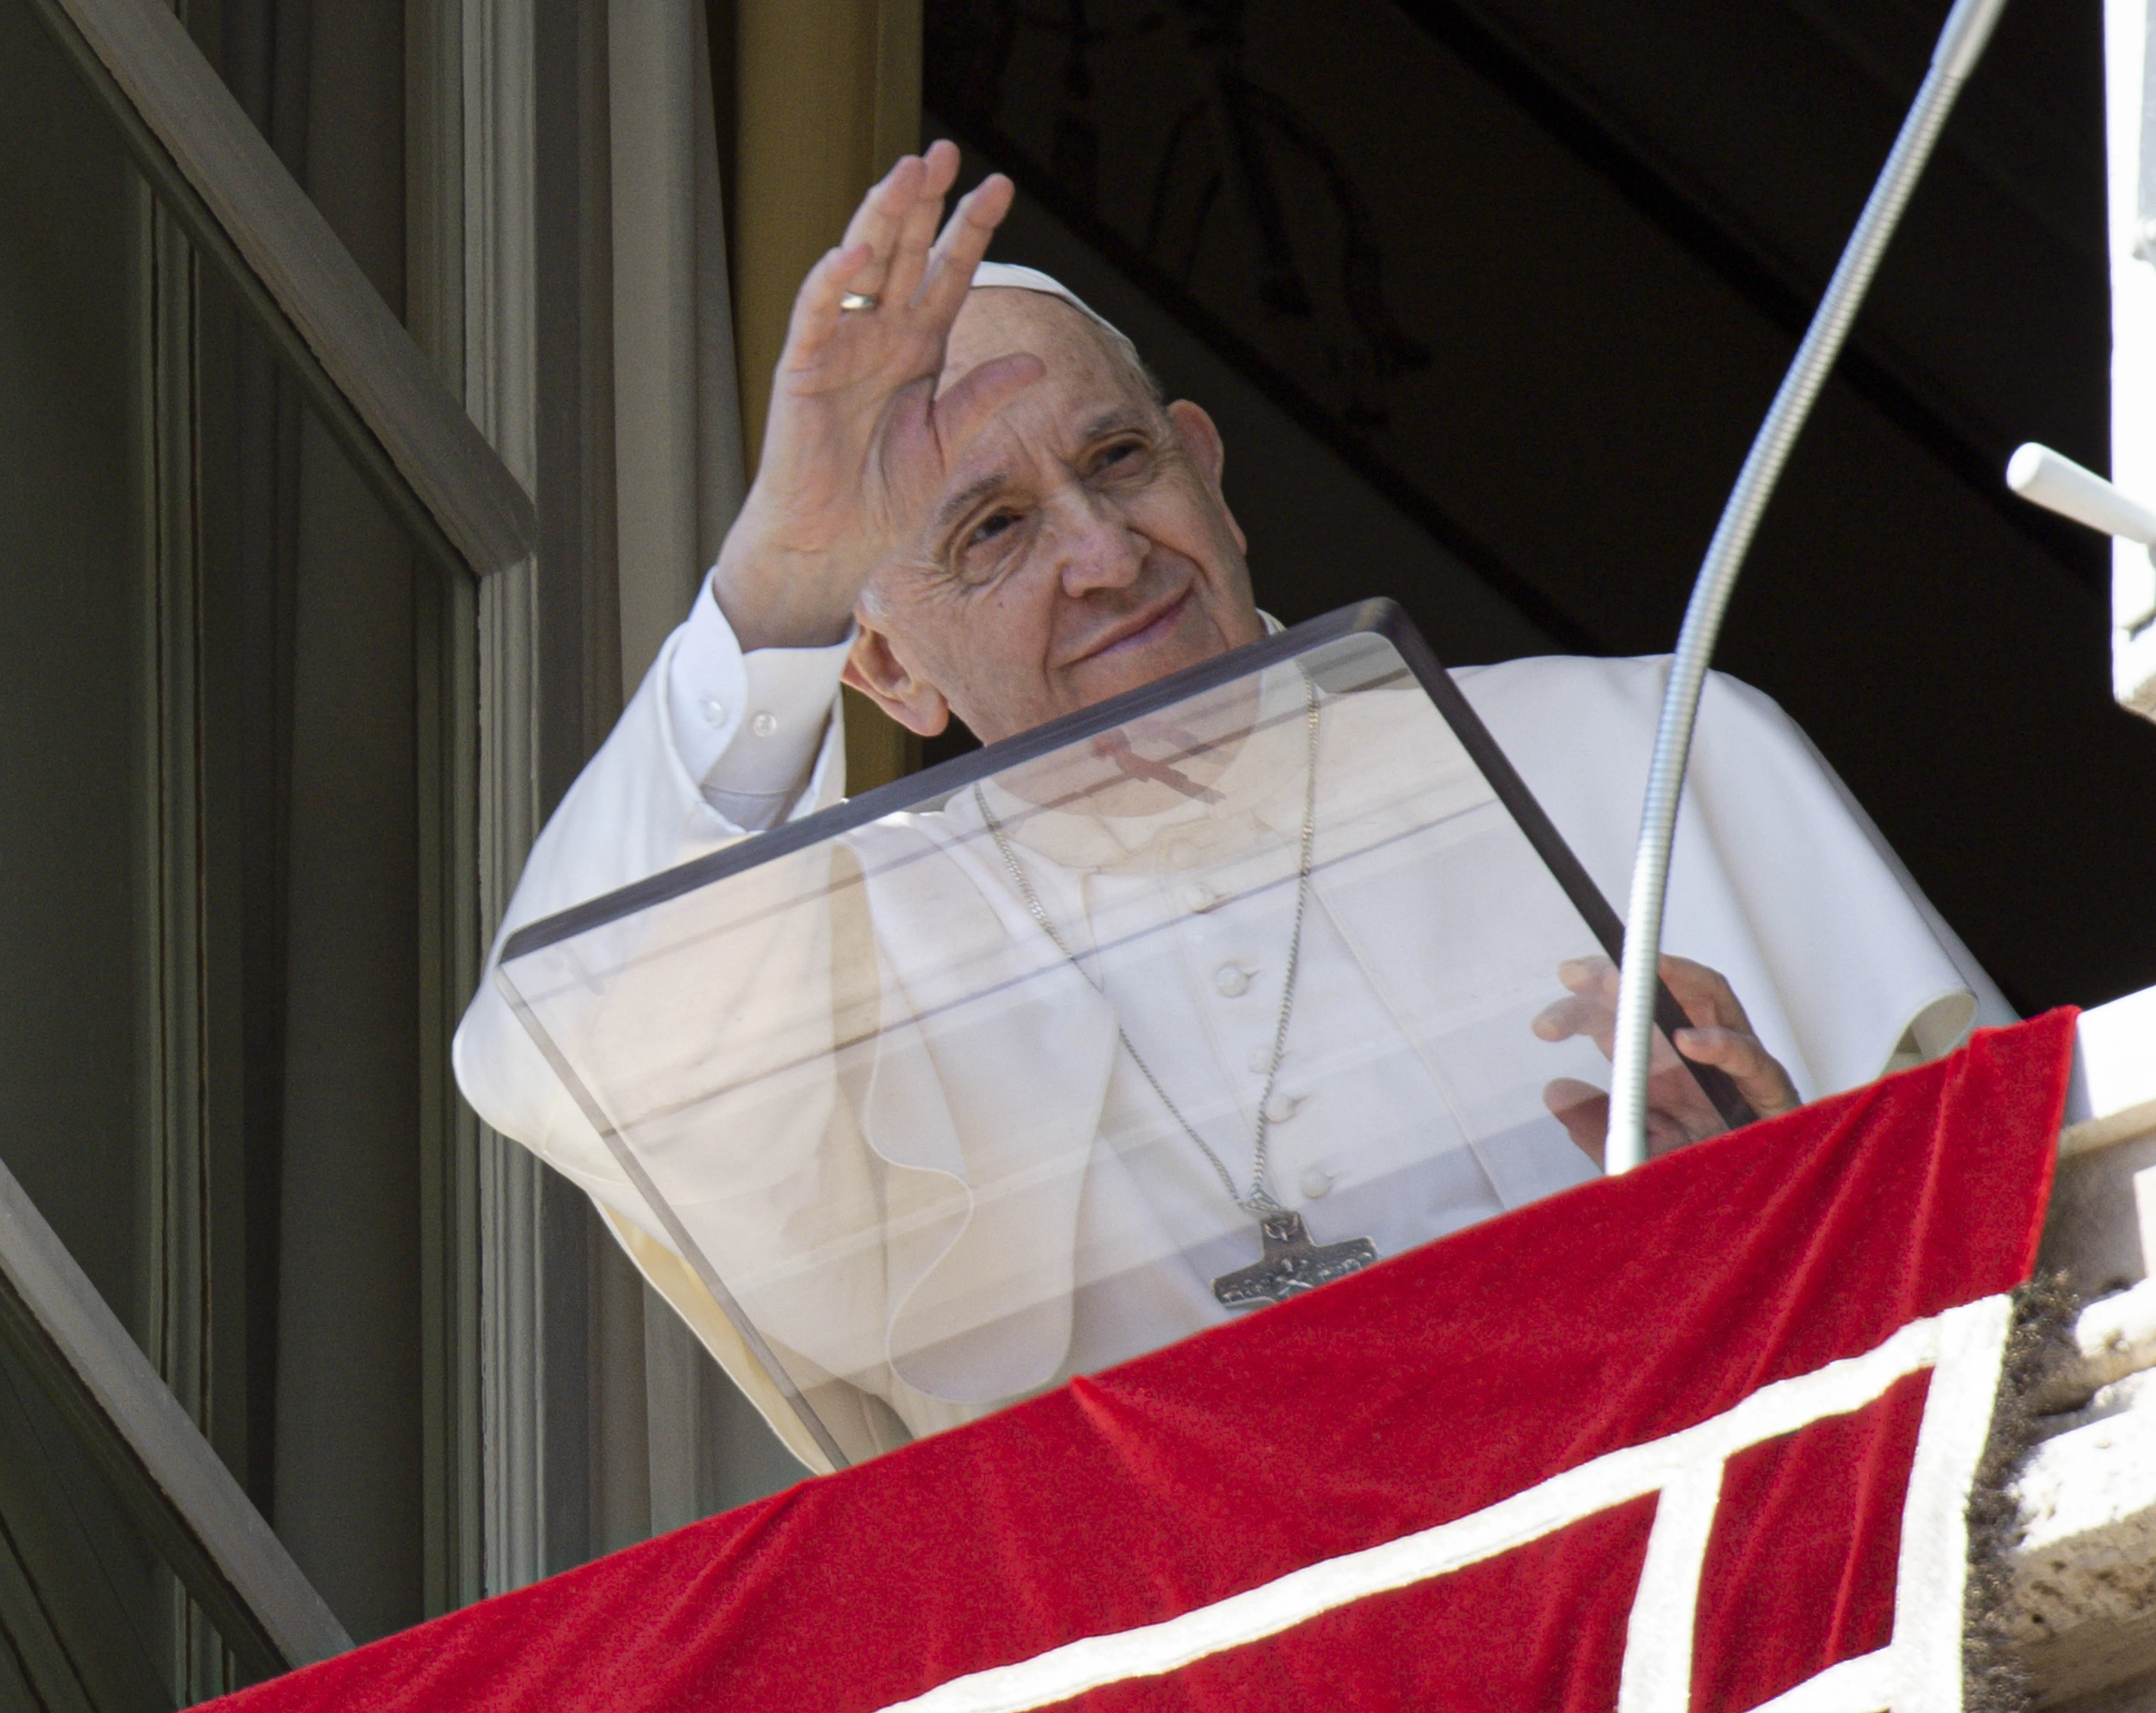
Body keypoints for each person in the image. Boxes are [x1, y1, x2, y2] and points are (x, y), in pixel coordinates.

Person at [455, 143, 2010, 1469]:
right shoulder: (846, 959)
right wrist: (784, 566)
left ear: (1208, 469)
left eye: (1118, 461)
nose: (1105, 554)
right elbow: (567, 1047)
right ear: (883, 664)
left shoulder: (1641, 752)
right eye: (991, 531)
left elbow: (2033, 1247)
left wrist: (1795, 1188)